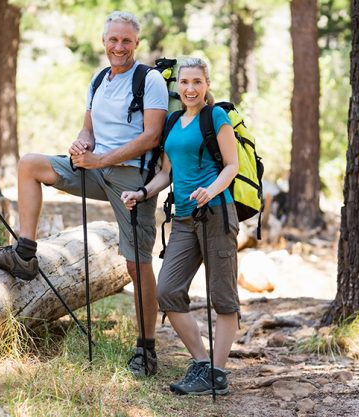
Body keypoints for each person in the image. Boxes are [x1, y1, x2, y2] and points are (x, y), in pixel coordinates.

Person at [0, 11, 168, 377]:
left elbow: (151, 137)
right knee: (30, 164)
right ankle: (25, 254)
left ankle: (147, 350)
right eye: (113, 39)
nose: (119, 47)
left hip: (132, 179)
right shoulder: (98, 80)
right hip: (95, 168)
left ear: (136, 44)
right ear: (103, 41)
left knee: (137, 263)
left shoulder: (151, 80)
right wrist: (82, 145)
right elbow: (88, 130)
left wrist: (99, 160)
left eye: (126, 41)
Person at [122, 58, 240, 395]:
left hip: (217, 213)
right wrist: (143, 192)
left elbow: (231, 165)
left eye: (197, 82)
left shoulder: (216, 116)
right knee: (168, 291)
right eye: (185, 82)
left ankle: (217, 374)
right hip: (184, 219)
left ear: (206, 84)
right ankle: (201, 363)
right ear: (178, 87)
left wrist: (211, 190)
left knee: (223, 298)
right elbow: (166, 172)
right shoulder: (173, 121)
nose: (190, 88)